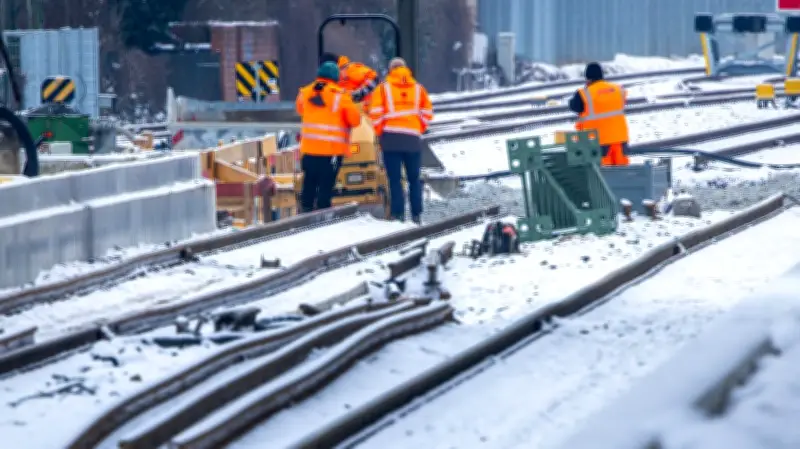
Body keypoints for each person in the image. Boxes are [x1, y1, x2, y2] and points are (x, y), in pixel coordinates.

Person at [369, 57, 434, 224]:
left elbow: (375, 114)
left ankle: (398, 214)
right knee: (414, 178)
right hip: (412, 141)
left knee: (395, 179)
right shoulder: (419, 89)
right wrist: (416, 128)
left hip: (391, 140)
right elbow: (427, 113)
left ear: (391, 70)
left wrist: (381, 131)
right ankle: (416, 214)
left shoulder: (383, 89)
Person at [295, 61, 361, 213]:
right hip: (331, 151)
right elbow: (355, 120)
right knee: (325, 188)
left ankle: (306, 214)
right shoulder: (340, 96)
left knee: (309, 183)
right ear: (336, 77)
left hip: (309, 149)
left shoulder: (305, 93)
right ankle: (323, 217)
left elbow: (300, 109)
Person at [568, 62, 630, 166]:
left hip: (598, 143)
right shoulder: (618, 89)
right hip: (620, 140)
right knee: (623, 174)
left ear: (587, 78)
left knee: (602, 177)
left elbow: (573, 106)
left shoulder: (584, 93)